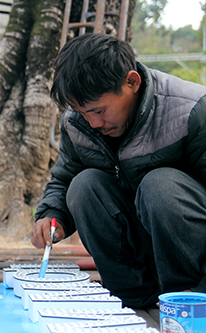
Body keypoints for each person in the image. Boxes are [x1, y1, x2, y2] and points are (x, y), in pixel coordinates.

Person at [30, 33, 206, 309]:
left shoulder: (190, 111)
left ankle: (189, 296)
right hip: (143, 245)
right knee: (84, 185)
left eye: (99, 110)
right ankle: (133, 297)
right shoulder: (78, 122)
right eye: (82, 111)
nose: (93, 122)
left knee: (160, 186)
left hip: (192, 258)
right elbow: (64, 178)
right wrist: (52, 216)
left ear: (132, 82)